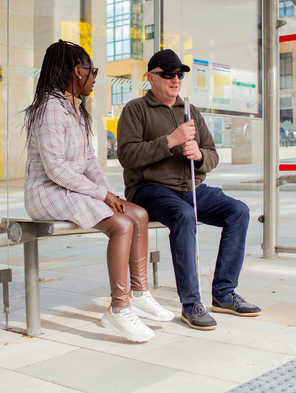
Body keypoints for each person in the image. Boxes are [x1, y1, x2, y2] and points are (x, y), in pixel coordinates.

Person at [23, 40, 173, 343]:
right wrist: (101, 196)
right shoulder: (51, 109)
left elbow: (91, 162)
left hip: (71, 188)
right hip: (46, 191)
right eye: (93, 71)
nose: (95, 77)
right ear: (77, 71)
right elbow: (55, 169)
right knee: (120, 225)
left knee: (138, 214)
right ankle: (119, 308)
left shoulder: (75, 110)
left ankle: (140, 292)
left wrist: (110, 194)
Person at [117, 49, 261, 331]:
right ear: (151, 77)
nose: (175, 79)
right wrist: (169, 140)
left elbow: (212, 153)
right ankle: (191, 303)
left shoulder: (189, 110)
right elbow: (127, 156)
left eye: (179, 74)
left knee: (238, 211)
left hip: (191, 187)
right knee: (183, 215)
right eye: (168, 74)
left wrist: (199, 156)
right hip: (150, 189)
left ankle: (223, 294)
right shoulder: (135, 109)